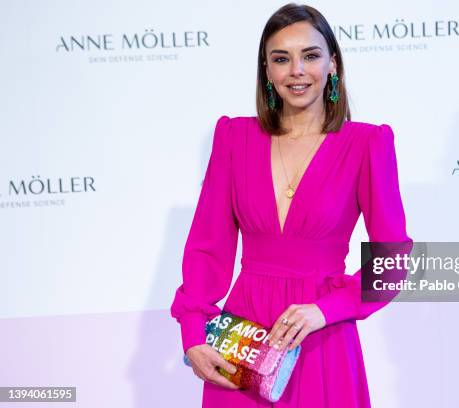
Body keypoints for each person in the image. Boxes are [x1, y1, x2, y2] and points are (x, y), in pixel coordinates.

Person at [170, 3, 411, 407]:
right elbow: (207, 247)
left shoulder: (367, 144)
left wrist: (328, 309)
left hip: (322, 340)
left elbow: (394, 259)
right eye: (281, 59)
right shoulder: (234, 138)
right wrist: (193, 334)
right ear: (267, 70)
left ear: (333, 64)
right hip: (243, 341)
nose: (296, 70)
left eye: (311, 56)